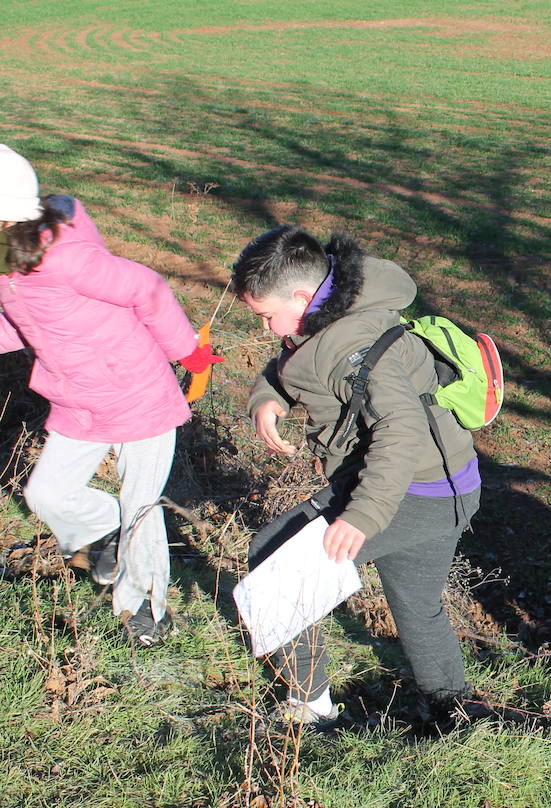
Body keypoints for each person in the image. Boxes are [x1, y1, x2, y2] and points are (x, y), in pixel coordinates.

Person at [233, 225, 480, 725]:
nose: (266, 330)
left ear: (302, 297)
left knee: (274, 564)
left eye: (266, 316)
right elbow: (291, 361)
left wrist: (363, 515)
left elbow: (401, 427)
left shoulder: (351, 343)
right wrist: (268, 397)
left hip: (410, 491)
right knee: (417, 605)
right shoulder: (336, 307)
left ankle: (310, 711)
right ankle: (455, 713)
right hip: (449, 486)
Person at [0, 144, 220, 645]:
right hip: (76, 397)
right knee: (46, 494)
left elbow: (147, 288)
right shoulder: (9, 263)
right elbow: (18, 326)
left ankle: (146, 610)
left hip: (136, 392)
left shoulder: (67, 259)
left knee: (141, 507)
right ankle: (106, 534)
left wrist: (187, 351)